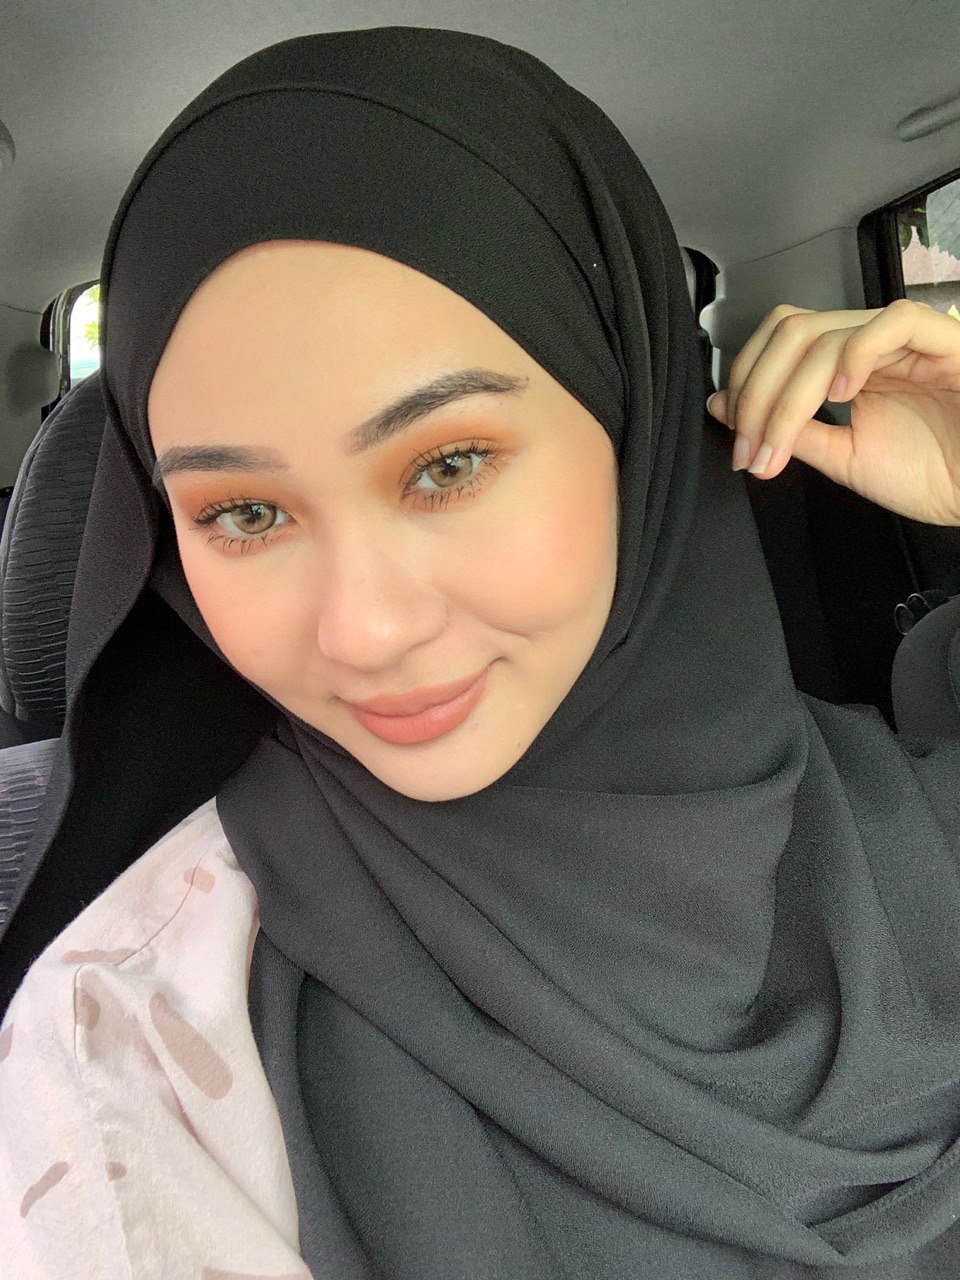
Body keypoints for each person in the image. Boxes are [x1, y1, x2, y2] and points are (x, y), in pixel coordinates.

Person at [2, 23, 960, 1279]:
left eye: (448, 464)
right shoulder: (130, 1053)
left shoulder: (922, 801)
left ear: (632, 424)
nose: (364, 629)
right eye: (243, 513)